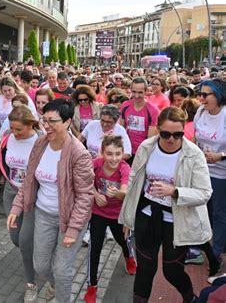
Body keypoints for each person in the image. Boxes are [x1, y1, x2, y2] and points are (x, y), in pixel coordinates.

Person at [119, 107, 213, 303]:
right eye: (165, 133)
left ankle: (190, 298)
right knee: (145, 268)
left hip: (177, 219)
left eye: (178, 134)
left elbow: (205, 193)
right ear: (158, 129)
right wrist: (127, 219)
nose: (171, 139)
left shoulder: (194, 155)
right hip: (147, 214)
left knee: (172, 270)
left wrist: (175, 191)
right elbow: (134, 184)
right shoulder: (147, 147)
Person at [7, 99, 94, 302]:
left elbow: (85, 196)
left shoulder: (78, 154)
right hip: (43, 214)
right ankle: (54, 284)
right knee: (41, 266)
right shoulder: (41, 143)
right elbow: (29, 179)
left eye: (52, 121)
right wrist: (16, 207)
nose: (46, 125)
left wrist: (73, 230)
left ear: (67, 122)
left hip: (70, 218)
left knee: (63, 271)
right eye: (44, 120)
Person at [84, 135, 136, 303]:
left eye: (117, 154)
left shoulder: (124, 168)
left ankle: (129, 257)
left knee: (123, 240)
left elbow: (125, 191)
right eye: (109, 154)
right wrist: (95, 194)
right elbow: (84, 182)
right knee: (94, 248)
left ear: (122, 154)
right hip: (98, 212)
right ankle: (92, 286)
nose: (113, 158)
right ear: (102, 153)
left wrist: (118, 194)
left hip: (117, 214)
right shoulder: (95, 164)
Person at [0, 105, 41, 302]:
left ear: (30, 124)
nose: (14, 132)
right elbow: (2, 158)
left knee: (24, 241)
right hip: (11, 192)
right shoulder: (8, 136)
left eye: (19, 129)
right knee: (16, 238)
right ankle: (37, 249)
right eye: (12, 128)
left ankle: (31, 283)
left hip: (33, 196)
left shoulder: (41, 140)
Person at [194, 79, 226, 267]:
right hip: (202, 169)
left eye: (205, 95)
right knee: (202, 209)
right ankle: (200, 248)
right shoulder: (200, 112)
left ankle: (216, 254)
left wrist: (220, 156)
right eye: (200, 94)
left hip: (221, 172)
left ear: (218, 95)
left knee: (219, 213)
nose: (201, 99)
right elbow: (196, 136)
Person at [120, 77, 160, 164]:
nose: (136, 96)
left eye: (140, 92)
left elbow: (150, 139)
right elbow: (121, 130)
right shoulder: (125, 106)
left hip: (143, 152)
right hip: (127, 151)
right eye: (134, 92)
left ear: (145, 91)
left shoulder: (153, 110)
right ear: (130, 90)